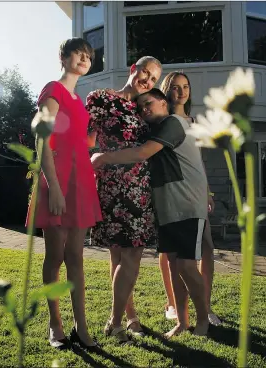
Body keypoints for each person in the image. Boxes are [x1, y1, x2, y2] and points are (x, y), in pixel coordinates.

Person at [92, 88, 209, 338]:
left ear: (163, 102)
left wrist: (103, 158)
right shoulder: (156, 129)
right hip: (167, 209)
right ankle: (182, 321)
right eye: (141, 107)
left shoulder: (172, 123)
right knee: (176, 268)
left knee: (187, 267)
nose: (145, 109)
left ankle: (203, 320)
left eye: (149, 103)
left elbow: (142, 153)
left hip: (187, 206)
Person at [25, 38, 102, 349]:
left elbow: (81, 143)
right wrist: (53, 187)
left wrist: (102, 130)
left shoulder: (79, 100)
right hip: (58, 182)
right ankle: (55, 325)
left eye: (88, 56)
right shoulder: (52, 90)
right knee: (55, 257)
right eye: (79, 54)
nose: (84, 59)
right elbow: (43, 141)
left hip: (81, 182)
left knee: (77, 258)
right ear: (64, 57)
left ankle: (81, 328)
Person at [86, 56, 162, 343]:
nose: (148, 80)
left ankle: (128, 317)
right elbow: (87, 140)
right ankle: (118, 321)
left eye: (154, 78)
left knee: (128, 257)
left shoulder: (146, 108)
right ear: (134, 69)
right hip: (112, 185)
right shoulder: (101, 99)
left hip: (140, 187)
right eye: (146, 72)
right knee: (122, 255)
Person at [159, 71, 222, 326]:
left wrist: (207, 191)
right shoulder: (163, 121)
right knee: (170, 250)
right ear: (167, 90)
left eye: (185, 87)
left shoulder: (194, 121)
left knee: (206, 247)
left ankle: (204, 305)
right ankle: (173, 304)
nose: (181, 91)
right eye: (175, 87)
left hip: (196, 190)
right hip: (172, 191)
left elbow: (198, 162)